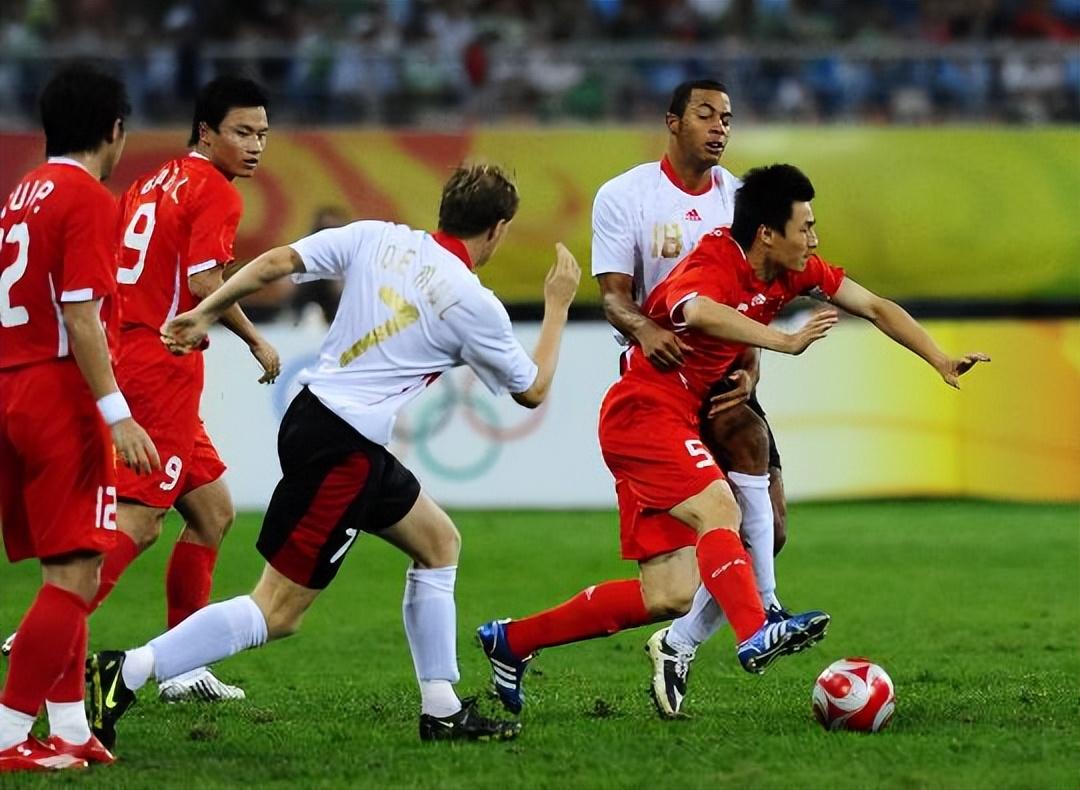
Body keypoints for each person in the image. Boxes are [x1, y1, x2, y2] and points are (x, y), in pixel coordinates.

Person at [86, 164, 581, 749]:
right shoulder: (472, 302)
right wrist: (557, 305)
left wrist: (205, 310)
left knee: (438, 543)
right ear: (497, 229)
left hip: (319, 421)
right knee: (277, 610)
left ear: (446, 209)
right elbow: (533, 389)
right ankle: (126, 671)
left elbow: (276, 262)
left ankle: (442, 708)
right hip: (344, 449)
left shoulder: (378, 236)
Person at [478, 163, 989, 717]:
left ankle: (513, 640)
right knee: (723, 511)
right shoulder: (715, 260)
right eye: (805, 227)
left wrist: (939, 358)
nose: (814, 240)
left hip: (683, 416)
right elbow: (696, 309)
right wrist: (783, 341)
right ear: (767, 233)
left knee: (669, 594)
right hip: (644, 413)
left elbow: (874, 306)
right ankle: (758, 626)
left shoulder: (794, 270)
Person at [590, 77, 795, 717]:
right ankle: (712, 632)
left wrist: (752, 367)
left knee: (770, 531)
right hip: (661, 385)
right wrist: (646, 329)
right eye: (706, 114)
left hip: (726, 381)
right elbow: (613, 296)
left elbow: (752, 290)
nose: (719, 126)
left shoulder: (738, 198)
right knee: (674, 583)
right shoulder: (625, 195)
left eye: (727, 117)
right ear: (672, 121)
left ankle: (685, 643)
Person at [88, 76, 279, 706]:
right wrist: (255, 339)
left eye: (262, 133)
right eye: (242, 132)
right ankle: (48, 627)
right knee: (141, 519)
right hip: (164, 360)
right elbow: (204, 283)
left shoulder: (149, 182)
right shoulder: (215, 191)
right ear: (207, 131)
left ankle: (182, 667)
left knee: (212, 511)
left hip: (134, 351)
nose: (255, 146)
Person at [0, 64, 159, 772]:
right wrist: (117, 413)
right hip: (60, 394)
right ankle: (7, 733)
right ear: (115, 129)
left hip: (13, 382)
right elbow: (81, 314)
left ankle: (67, 727)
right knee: (75, 577)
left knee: (70, 568)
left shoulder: (21, 194)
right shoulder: (89, 198)